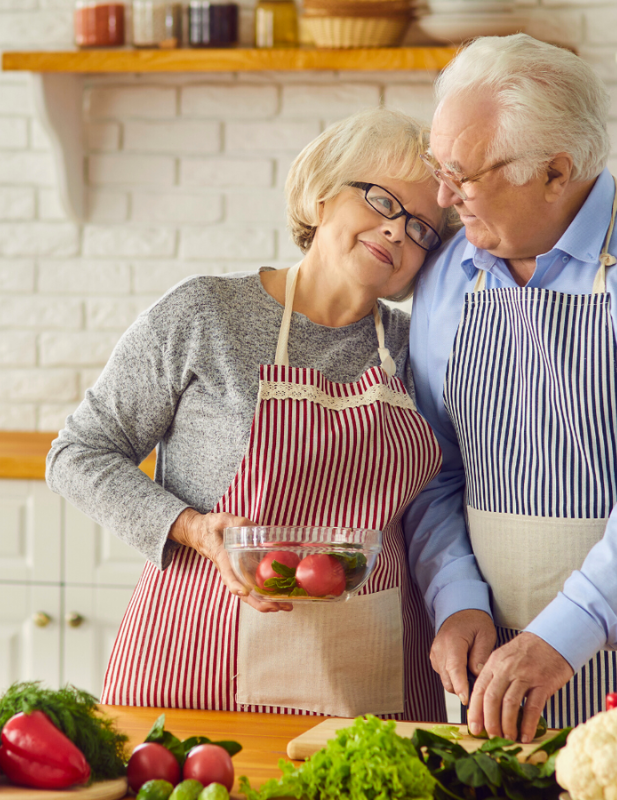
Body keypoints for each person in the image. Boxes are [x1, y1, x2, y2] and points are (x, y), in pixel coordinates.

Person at [46, 107, 461, 720]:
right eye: (382, 201)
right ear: (322, 194)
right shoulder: (205, 314)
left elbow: (444, 497)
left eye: (423, 227)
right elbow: (76, 454)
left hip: (366, 679)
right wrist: (192, 528)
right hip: (195, 662)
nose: (399, 231)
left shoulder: (422, 346)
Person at [404, 33, 617, 742]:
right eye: (438, 168)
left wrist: (564, 635)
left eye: (463, 175)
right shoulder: (450, 275)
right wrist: (456, 600)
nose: (443, 198)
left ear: (556, 172)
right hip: (495, 672)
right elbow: (434, 469)